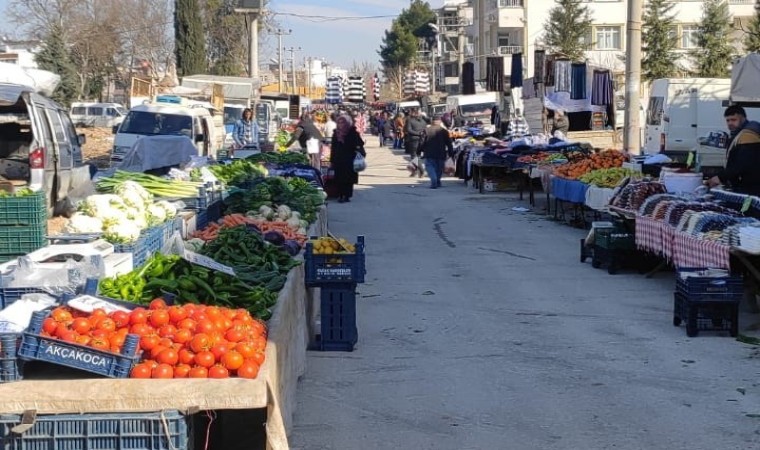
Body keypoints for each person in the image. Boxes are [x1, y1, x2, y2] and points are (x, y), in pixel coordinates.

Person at [708, 105, 760, 195]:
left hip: (750, 187)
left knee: (745, 208)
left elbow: (742, 163)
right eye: (728, 120)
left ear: (743, 118)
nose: (730, 123)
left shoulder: (748, 135)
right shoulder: (740, 133)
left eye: (733, 120)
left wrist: (720, 177)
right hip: (746, 184)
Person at [331, 114, 366, 203]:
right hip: (339, 160)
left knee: (348, 179)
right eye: (339, 123)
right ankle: (341, 195)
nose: (341, 125)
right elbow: (333, 147)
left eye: (343, 123)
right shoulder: (336, 133)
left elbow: (360, 143)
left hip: (350, 160)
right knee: (339, 178)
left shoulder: (353, 132)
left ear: (347, 123)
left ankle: (347, 195)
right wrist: (332, 160)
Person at [420, 115, 454, 189]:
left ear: (432, 121)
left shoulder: (426, 130)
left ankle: (434, 180)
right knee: (439, 168)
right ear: (440, 121)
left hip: (429, 152)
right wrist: (451, 153)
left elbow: (422, 142)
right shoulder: (444, 131)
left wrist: (419, 151)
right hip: (441, 153)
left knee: (430, 167)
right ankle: (437, 181)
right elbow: (449, 143)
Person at [404, 108, 428, 177]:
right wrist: (421, 134)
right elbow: (425, 129)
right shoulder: (423, 121)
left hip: (414, 140)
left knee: (414, 156)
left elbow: (408, 130)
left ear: (414, 113)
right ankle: (415, 172)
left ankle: (422, 171)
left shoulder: (410, 120)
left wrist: (418, 133)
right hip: (422, 140)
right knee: (417, 156)